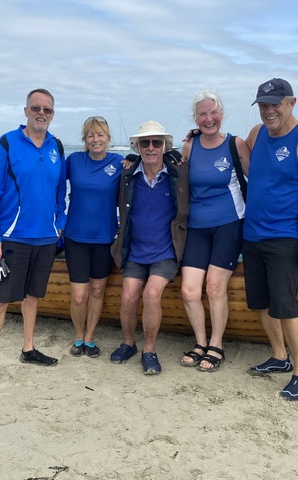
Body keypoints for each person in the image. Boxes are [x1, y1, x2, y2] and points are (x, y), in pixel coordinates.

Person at [0, 88, 67, 390]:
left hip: (45, 238)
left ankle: (28, 349)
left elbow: (58, 194)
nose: (42, 113)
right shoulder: (6, 143)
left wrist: (59, 224)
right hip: (12, 237)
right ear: (26, 111)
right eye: (36, 108)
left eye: (48, 110)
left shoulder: (57, 147)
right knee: (0, 300)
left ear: (53, 114)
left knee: (32, 297)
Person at [243, 78, 298, 400]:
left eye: (274, 104)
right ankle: (279, 356)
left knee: (287, 306)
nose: (268, 111)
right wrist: (197, 136)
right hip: (251, 233)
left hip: (284, 235)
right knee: (262, 303)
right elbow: (240, 158)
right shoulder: (257, 134)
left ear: (291, 103)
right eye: (263, 105)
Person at [178, 90, 250, 372]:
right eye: (203, 114)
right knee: (189, 291)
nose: (209, 119)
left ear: (222, 114)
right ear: (195, 118)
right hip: (196, 227)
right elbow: (177, 180)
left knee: (214, 287)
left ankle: (216, 344)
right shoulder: (190, 146)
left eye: (213, 113)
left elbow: (259, 179)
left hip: (229, 225)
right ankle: (200, 342)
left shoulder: (236, 144)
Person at [110, 121, 189, 375]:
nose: (151, 148)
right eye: (145, 143)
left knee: (152, 294)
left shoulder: (178, 174)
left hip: (165, 251)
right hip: (135, 250)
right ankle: (128, 343)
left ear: (165, 146)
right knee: (128, 296)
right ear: (137, 147)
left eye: (157, 142)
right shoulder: (127, 176)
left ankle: (149, 350)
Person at [64, 116, 124, 358]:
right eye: (91, 135)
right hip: (75, 237)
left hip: (104, 238)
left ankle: (89, 339)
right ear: (85, 139)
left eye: (100, 135)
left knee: (98, 291)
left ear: (108, 139)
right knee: (79, 295)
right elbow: (51, 184)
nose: (95, 139)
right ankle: (78, 336)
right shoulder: (74, 161)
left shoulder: (119, 162)